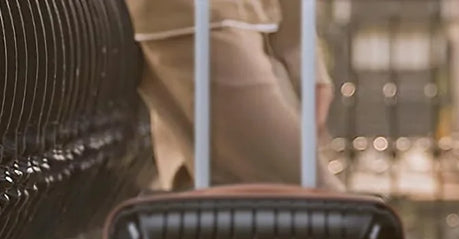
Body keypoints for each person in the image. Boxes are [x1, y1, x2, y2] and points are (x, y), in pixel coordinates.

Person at [124, 0, 342, 190]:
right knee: (325, 209)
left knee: (220, 213)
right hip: (203, 20)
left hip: (238, 23)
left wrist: (301, 50)